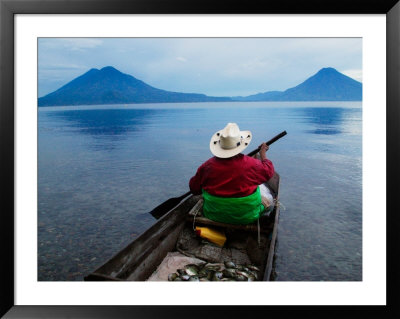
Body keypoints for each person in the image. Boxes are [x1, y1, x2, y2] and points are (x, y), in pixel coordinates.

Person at [189, 123, 275, 225]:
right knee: (270, 201)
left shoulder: (206, 167)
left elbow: (194, 189)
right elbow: (268, 171)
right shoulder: (251, 164)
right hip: (246, 216)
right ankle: (261, 221)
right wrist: (263, 154)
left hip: (213, 215)